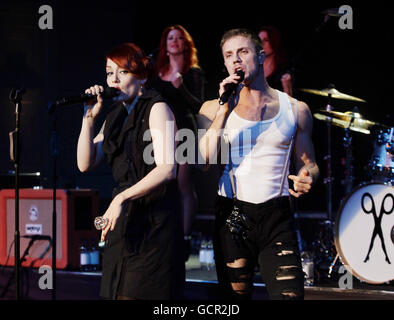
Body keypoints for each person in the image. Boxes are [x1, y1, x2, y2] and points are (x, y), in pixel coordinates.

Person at [198, 28, 319, 300]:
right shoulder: (211, 109)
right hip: (233, 216)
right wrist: (223, 110)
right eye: (229, 55)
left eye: (243, 52)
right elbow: (202, 162)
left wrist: (307, 175)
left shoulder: (296, 109)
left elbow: (310, 164)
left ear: (261, 55)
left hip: (276, 216)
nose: (236, 60)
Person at [77, 42, 184, 300]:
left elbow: (168, 169)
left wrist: (120, 198)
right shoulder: (114, 116)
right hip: (123, 225)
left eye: (122, 72)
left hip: (154, 224)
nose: (113, 79)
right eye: (108, 72)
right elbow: (85, 164)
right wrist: (88, 120)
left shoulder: (157, 108)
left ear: (142, 77)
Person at [147, 25, 206, 256]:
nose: (174, 41)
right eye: (170, 38)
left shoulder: (193, 72)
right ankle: (162, 233)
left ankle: (184, 235)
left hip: (184, 130)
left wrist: (181, 89)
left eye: (179, 38)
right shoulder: (157, 70)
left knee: (183, 183)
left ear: (186, 44)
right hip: (160, 132)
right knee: (159, 181)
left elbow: (199, 106)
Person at [258, 25, 293, 96]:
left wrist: (287, 87)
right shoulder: (253, 66)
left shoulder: (283, 70)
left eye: (266, 40)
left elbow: (289, 103)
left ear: (274, 42)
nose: (261, 44)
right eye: (259, 40)